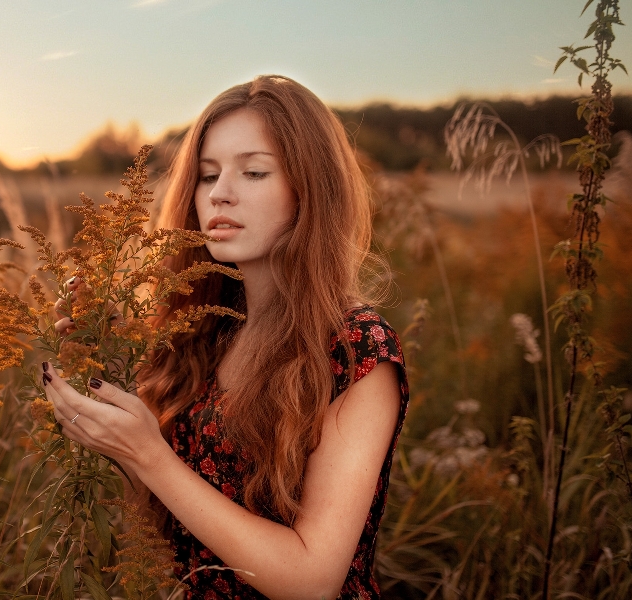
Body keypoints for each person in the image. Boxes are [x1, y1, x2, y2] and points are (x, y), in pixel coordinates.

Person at [40, 74, 408, 600]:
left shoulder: (358, 348)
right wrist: (109, 369)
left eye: (254, 172)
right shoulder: (205, 330)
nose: (220, 194)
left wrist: (150, 456)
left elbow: (313, 580)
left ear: (312, 189)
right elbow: (171, 522)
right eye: (207, 175)